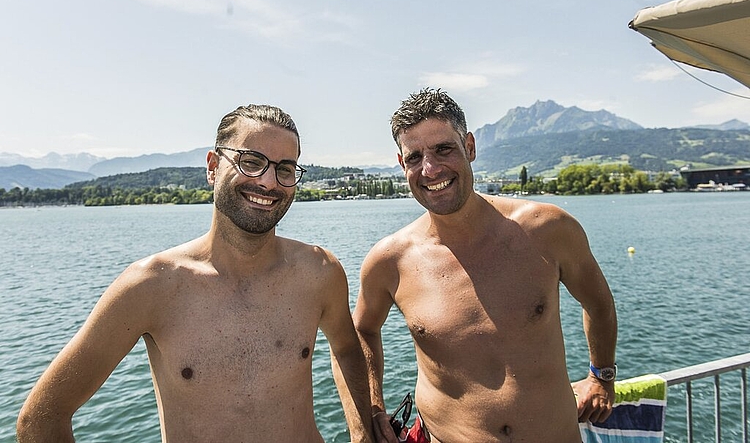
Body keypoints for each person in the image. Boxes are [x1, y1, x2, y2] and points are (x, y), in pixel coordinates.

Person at [17, 104, 374, 443]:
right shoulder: (151, 286)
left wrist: (362, 432)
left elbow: (347, 349)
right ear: (212, 166)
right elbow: (41, 417)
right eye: (251, 161)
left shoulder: (319, 271)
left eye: (285, 169)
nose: (268, 182)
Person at [353, 89, 618, 443]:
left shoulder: (548, 229)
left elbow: (598, 302)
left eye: (444, 149)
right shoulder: (389, 261)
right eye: (415, 157)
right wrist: (372, 406)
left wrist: (601, 375)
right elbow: (363, 330)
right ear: (402, 165)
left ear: (470, 147)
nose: (430, 169)